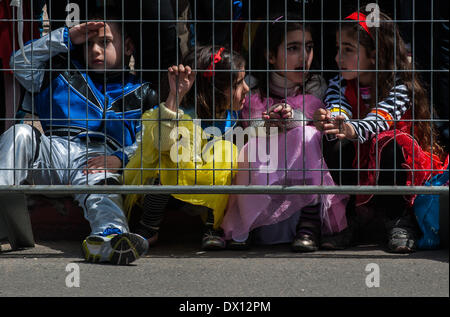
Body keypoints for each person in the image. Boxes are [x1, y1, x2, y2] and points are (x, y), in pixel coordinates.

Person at [1, 8, 156, 264]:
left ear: (128, 46)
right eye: (89, 43)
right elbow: (19, 62)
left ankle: (108, 241)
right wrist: (66, 36)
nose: (95, 50)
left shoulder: (143, 93)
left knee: (104, 190)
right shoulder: (60, 72)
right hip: (54, 152)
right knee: (20, 133)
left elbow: (148, 141)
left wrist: (121, 158)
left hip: (99, 159)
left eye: (104, 42)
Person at [314, 10, 448, 253]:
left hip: (399, 161)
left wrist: (351, 128)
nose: (337, 57)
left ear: (374, 56)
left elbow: (379, 120)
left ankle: (398, 219)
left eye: (348, 49)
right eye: (337, 48)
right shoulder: (340, 83)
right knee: (333, 140)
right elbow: (338, 107)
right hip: (361, 152)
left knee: (389, 142)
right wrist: (335, 121)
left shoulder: (400, 86)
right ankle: (355, 217)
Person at [220, 14, 349, 252]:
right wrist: (266, 127)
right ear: (270, 55)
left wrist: (295, 120)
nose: (304, 56)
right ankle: (247, 225)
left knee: (308, 135)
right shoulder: (251, 93)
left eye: (308, 48)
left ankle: (309, 225)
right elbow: (241, 133)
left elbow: (318, 123)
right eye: (292, 48)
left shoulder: (316, 90)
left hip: (299, 191)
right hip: (262, 184)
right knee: (251, 144)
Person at [123, 45, 248, 250]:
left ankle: (214, 226)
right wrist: (175, 96)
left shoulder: (231, 115)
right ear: (213, 90)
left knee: (230, 153)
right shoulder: (182, 113)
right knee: (169, 155)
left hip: (208, 195)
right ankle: (149, 226)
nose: (246, 89)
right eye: (238, 84)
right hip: (170, 190)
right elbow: (162, 144)